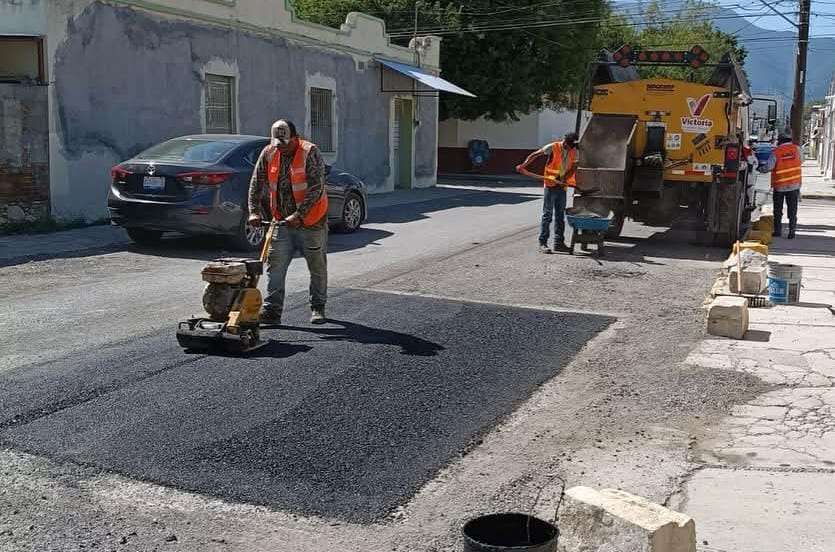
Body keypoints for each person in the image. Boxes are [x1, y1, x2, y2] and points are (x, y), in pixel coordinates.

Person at [248, 120, 329, 324]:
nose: (281, 146)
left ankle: (318, 307)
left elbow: (316, 187)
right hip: (280, 223)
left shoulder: (310, 152)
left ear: (296, 137)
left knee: (316, 266)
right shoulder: (268, 152)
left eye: (285, 142)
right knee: (274, 266)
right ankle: (272, 311)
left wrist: (299, 214)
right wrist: (254, 212)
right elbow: (256, 182)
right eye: (278, 142)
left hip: (312, 222)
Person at [516, 132, 579, 253]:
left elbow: (572, 168)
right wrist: (523, 166)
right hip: (550, 185)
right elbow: (535, 155)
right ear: (565, 141)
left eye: (571, 147)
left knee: (560, 216)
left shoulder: (573, 150)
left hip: (562, 187)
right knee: (548, 215)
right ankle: (542, 243)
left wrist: (565, 178)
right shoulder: (553, 147)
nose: (569, 148)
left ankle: (559, 243)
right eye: (567, 145)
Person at [760, 134, 802, 239]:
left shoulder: (776, 152)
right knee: (792, 209)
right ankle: (792, 231)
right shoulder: (797, 149)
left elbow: (769, 167)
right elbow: (801, 160)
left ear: (780, 141)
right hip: (794, 185)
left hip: (780, 185)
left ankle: (778, 231)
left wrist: (759, 168)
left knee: (778, 210)